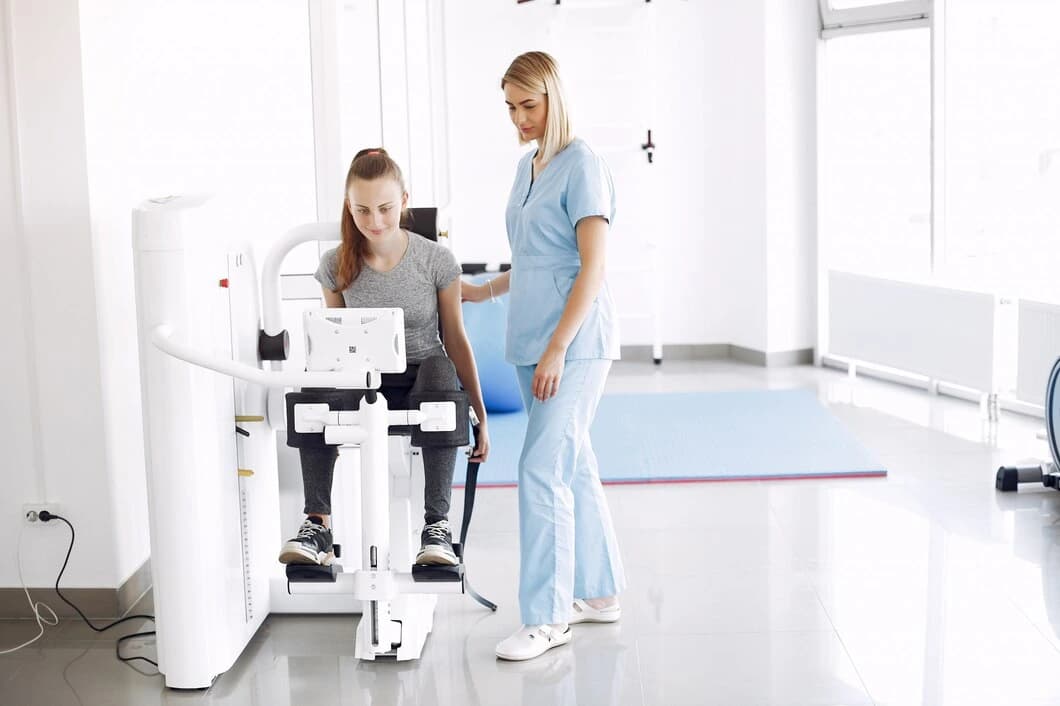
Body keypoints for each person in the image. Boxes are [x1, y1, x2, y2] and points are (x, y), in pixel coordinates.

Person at [462, 51, 625, 661]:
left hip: (574, 345)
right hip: (530, 339)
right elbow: (535, 256)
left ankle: (548, 616)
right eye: (510, 107)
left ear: (555, 98)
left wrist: (559, 346)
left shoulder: (583, 163)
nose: (518, 118)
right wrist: (486, 288)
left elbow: (592, 264)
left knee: (540, 470)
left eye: (528, 105)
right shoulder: (527, 166)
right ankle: (601, 593)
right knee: (572, 464)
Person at [279, 147, 490, 569]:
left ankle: (437, 528)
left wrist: (479, 416)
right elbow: (332, 345)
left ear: (404, 202)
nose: (374, 222)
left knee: (439, 366)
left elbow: (455, 338)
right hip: (362, 380)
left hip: (424, 382)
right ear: (348, 208)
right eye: (362, 211)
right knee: (314, 386)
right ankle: (317, 523)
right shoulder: (335, 264)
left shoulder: (435, 260)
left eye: (385, 208)